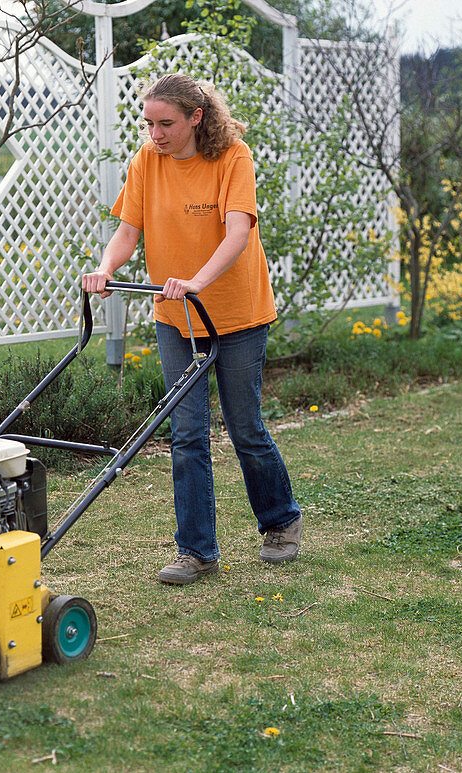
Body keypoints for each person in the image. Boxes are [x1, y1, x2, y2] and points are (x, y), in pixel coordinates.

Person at [81, 72, 302, 585]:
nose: (154, 134)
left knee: (244, 426)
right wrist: (106, 268)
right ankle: (196, 551)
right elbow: (128, 231)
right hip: (175, 316)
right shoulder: (146, 162)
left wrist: (197, 280)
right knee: (186, 433)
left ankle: (281, 521)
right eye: (148, 123)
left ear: (196, 118)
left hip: (237, 313)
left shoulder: (232, 156)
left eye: (166, 124)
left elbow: (239, 230)